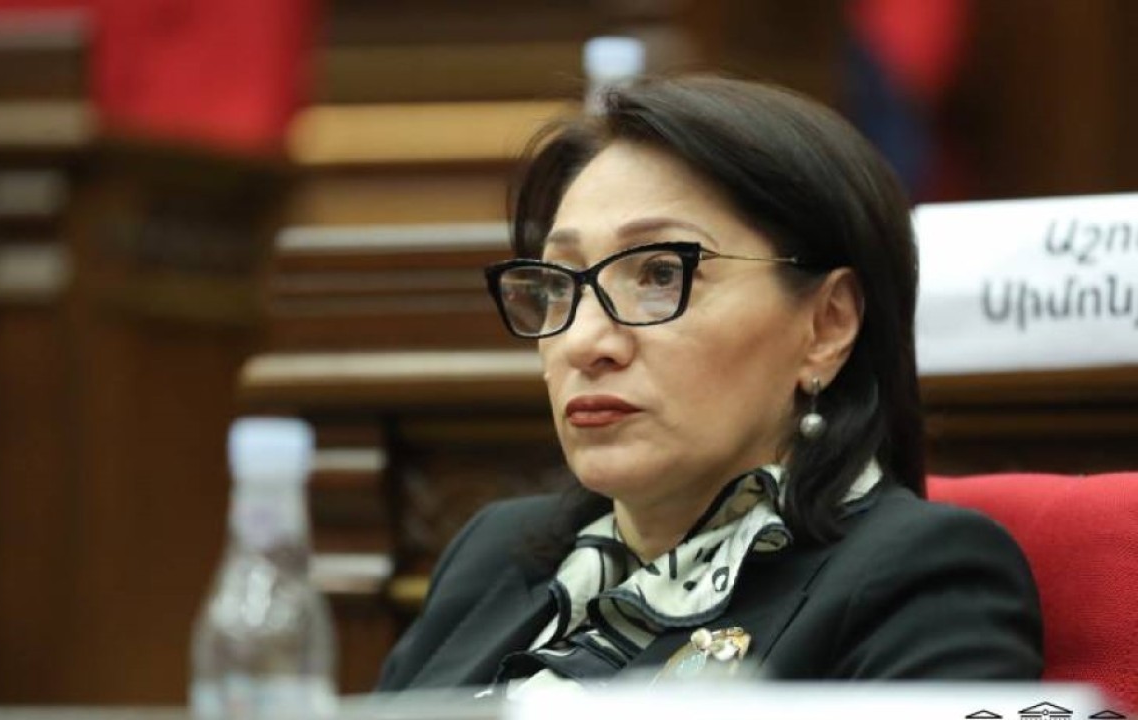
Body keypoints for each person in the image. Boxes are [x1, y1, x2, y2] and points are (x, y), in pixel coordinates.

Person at [376, 76, 1043, 693]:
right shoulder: (495, 553)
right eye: (559, 284)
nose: (583, 342)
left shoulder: (920, 579)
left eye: (661, 274)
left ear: (826, 325)